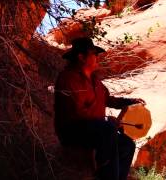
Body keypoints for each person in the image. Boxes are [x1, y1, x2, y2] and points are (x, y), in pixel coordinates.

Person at [54, 37, 145, 180]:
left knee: (127, 145)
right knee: (108, 130)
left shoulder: (95, 80)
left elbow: (108, 99)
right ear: (81, 57)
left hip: (97, 130)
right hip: (73, 131)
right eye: (94, 54)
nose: (97, 57)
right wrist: (108, 124)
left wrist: (130, 102)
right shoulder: (67, 78)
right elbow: (77, 113)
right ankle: (105, 174)